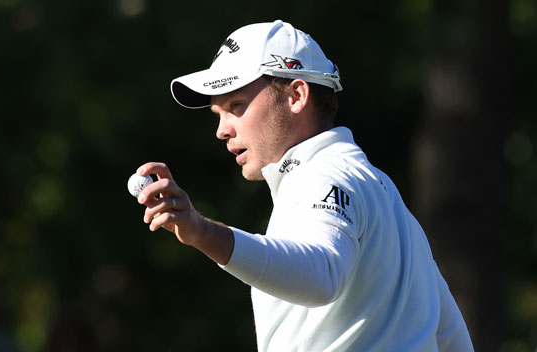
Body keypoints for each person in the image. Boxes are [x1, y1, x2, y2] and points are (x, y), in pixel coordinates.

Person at [135, 20, 473, 351]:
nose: (222, 130)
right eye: (218, 114)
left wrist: (201, 232)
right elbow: (450, 336)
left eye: (236, 106)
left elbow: (322, 273)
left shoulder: (321, 175)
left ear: (296, 95)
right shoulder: (386, 195)